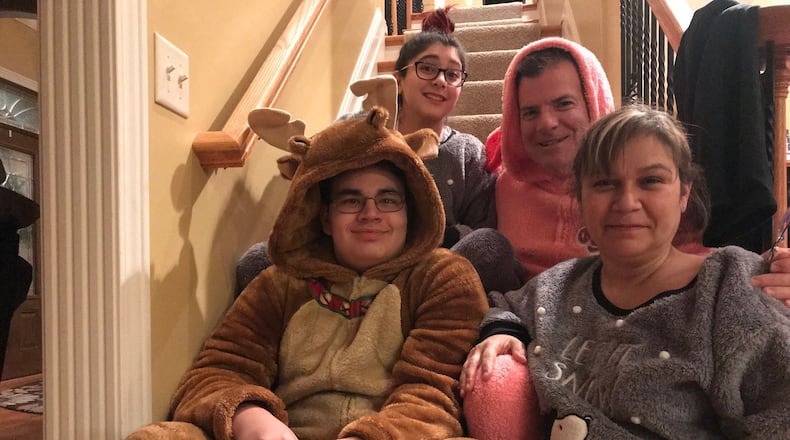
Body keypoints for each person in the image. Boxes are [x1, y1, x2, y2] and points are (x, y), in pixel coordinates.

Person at [126, 107, 488, 440]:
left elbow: (430, 397)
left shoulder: (444, 277)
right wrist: (250, 416)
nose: (370, 213)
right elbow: (215, 372)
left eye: (388, 199)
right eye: (351, 200)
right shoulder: (278, 283)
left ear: (410, 211)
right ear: (325, 217)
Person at [461, 105, 790, 438]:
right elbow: (506, 305)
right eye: (604, 183)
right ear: (580, 199)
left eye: (650, 181)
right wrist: (502, 333)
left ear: (684, 193)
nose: (627, 201)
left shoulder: (731, 287)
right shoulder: (556, 287)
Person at [460, 36, 790, 303]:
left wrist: (769, 271)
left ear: (593, 103)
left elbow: (697, 263)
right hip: (525, 326)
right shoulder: (500, 183)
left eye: (564, 104)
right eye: (529, 112)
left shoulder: (651, 185)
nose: (546, 123)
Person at [236, 7, 498, 293]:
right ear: (398, 78)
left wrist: (423, 237)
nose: (440, 81)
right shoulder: (355, 132)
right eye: (427, 68)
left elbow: (480, 226)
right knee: (257, 261)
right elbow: (315, 200)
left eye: (453, 74)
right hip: (347, 261)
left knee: (490, 246)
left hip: (424, 275)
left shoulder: (467, 151)